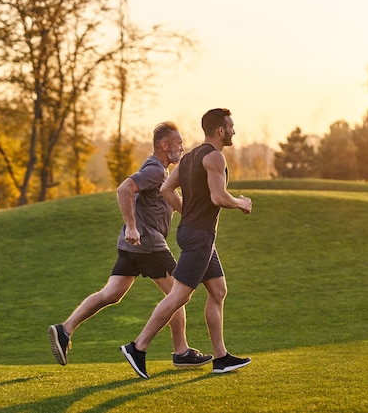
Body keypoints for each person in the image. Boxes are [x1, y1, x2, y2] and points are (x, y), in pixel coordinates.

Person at [49, 121, 212, 368]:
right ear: (164, 145)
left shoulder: (162, 173)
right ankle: (180, 352)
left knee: (111, 293)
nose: (182, 147)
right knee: (178, 295)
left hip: (134, 246)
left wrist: (194, 211)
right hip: (149, 244)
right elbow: (125, 188)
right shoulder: (155, 169)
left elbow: (173, 203)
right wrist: (132, 227)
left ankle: (64, 329)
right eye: (178, 143)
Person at [120, 108, 253, 379]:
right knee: (180, 295)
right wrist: (241, 202)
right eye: (231, 126)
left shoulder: (190, 156)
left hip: (194, 233)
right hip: (199, 236)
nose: (234, 131)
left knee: (218, 290)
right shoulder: (214, 157)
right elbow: (218, 197)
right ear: (220, 130)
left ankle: (221, 357)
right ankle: (138, 347)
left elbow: (166, 189)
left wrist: (187, 210)